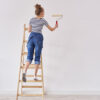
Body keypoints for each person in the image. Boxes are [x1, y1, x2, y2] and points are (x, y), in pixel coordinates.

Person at [22, 4, 58, 82]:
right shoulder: (43, 20)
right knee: (37, 57)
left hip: (31, 38)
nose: (44, 13)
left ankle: (24, 73)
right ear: (41, 13)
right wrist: (55, 26)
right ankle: (35, 76)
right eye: (43, 12)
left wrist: (33, 28)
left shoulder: (31, 19)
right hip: (38, 38)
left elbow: (29, 30)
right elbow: (51, 29)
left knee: (29, 57)